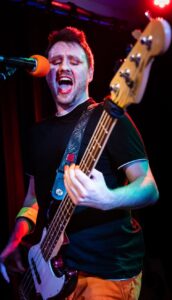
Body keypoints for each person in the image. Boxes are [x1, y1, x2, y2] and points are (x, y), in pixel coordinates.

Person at [0, 26, 159, 299]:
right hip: (53, 272)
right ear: (46, 72)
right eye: (57, 61)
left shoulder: (110, 118)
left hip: (106, 271)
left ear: (91, 73)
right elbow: (32, 201)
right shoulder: (36, 134)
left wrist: (108, 198)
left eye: (74, 61)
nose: (64, 67)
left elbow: (149, 187)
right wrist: (16, 239)